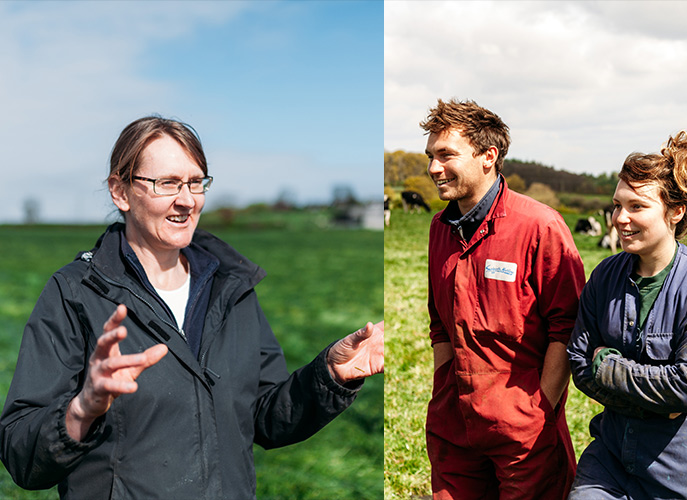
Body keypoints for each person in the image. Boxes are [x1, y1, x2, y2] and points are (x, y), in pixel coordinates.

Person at [1, 116, 385, 498]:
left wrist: (331, 374)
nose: (186, 200)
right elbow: (21, 453)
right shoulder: (74, 293)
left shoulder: (230, 288)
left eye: (195, 182)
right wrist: (83, 408)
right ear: (120, 192)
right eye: (167, 183)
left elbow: (264, 416)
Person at [419, 99, 584, 499]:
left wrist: (538, 409)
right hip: (453, 428)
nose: (433, 168)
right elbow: (439, 324)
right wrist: (445, 391)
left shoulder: (540, 226)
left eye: (446, 155)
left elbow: (570, 327)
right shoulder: (440, 229)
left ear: (488, 156)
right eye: (430, 156)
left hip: (524, 433)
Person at [567, 132, 687, 499]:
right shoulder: (604, 276)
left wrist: (608, 366)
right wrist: (657, 401)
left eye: (637, 207)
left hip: (684, 471)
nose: (619, 219)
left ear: (675, 212)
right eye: (617, 205)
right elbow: (579, 363)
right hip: (611, 459)